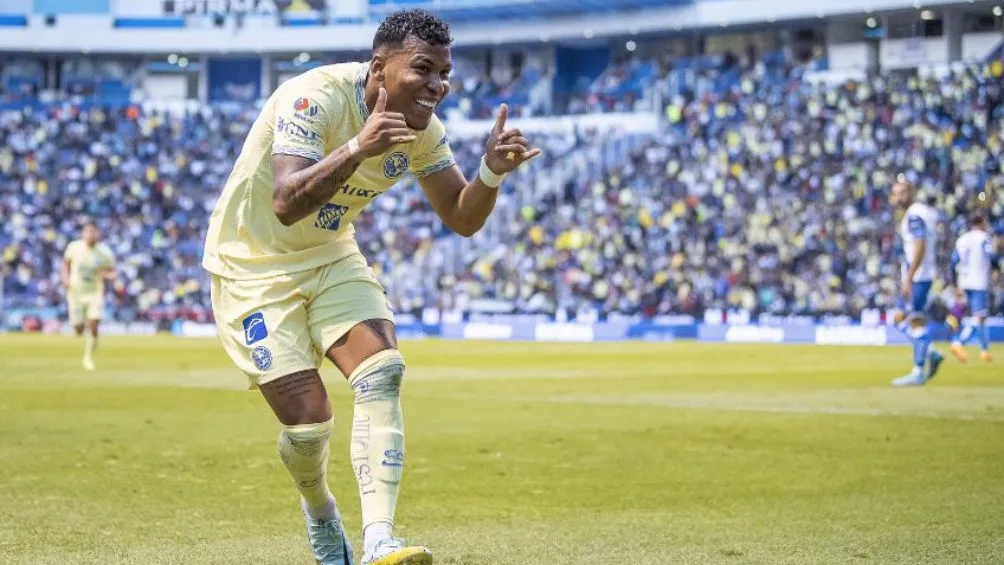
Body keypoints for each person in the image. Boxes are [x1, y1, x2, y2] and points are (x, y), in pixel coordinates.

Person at [201, 9, 539, 565]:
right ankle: (321, 514)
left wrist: (491, 173)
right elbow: (285, 204)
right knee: (309, 425)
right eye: (424, 69)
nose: (437, 86)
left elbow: (460, 215)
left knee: (382, 371)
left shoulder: (424, 132)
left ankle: (381, 538)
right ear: (379, 67)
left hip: (331, 255)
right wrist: (357, 147)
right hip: (253, 266)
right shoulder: (313, 98)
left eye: (444, 74)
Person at [890, 180, 946, 387]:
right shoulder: (926, 212)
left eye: (903, 192)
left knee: (913, 320)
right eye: (896, 193)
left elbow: (919, 244)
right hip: (924, 273)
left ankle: (919, 370)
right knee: (904, 319)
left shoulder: (913, 215)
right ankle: (929, 352)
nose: (899, 197)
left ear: (912, 192)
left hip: (918, 276)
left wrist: (909, 276)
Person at [60, 221, 116, 371]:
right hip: (76, 292)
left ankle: (88, 357)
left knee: (94, 322)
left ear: (98, 234)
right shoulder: (74, 248)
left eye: (93, 232)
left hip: (95, 292)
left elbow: (112, 272)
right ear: (83, 233)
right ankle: (85, 329)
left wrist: (106, 275)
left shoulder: (105, 253)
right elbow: (65, 264)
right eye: (87, 232)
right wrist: (65, 278)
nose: (90, 235)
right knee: (78, 328)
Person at [949, 213, 996, 363]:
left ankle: (984, 351)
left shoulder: (962, 239)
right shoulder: (983, 238)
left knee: (979, 318)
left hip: (964, 281)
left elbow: (953, 262)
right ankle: (959, 342)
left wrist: (956, 284)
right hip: (979, 281)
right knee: (979, 317)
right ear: (981, 222)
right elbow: (992, 255)